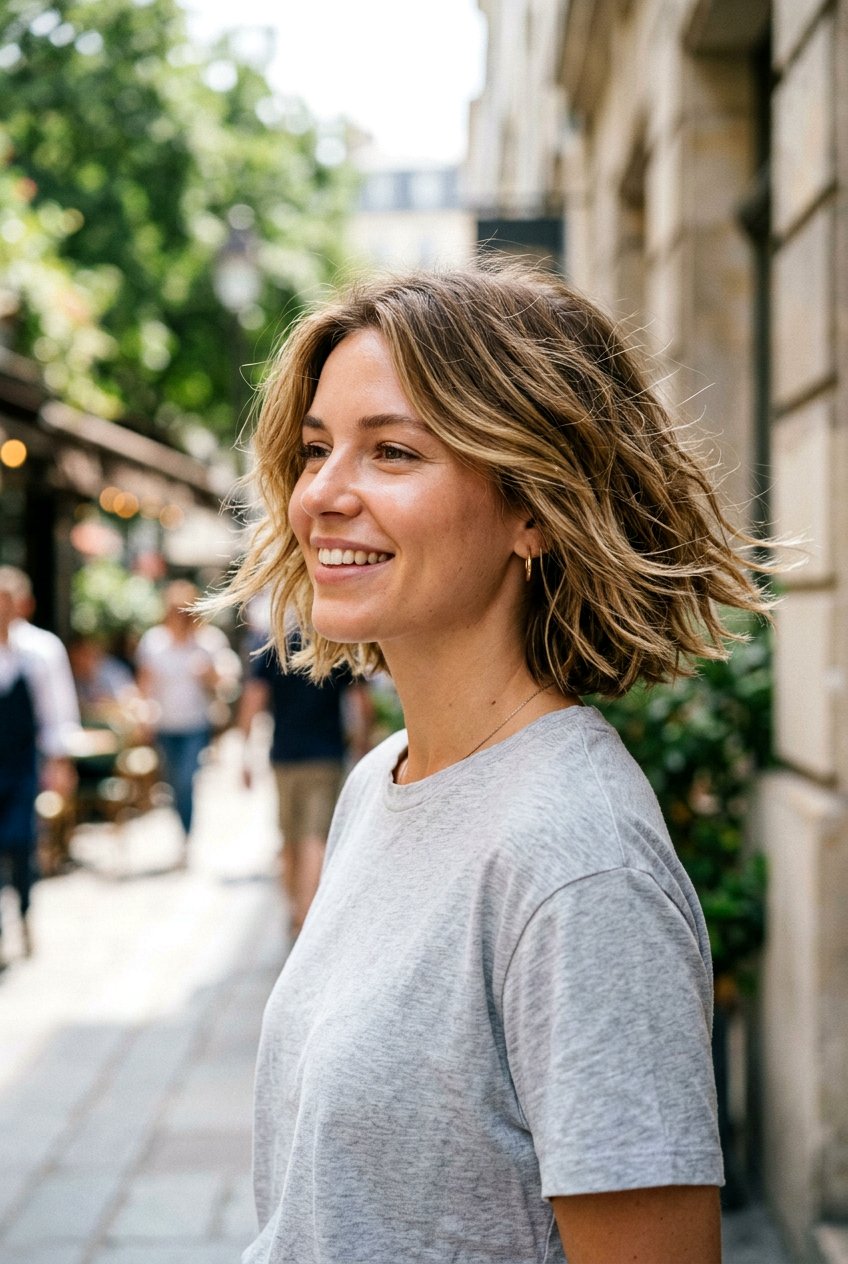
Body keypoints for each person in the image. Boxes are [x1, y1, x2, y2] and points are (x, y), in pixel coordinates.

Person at [221, 262, 774, 1263]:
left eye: (391, 451)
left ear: (532, 509)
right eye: (315, 449)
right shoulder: (379, 779)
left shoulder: (574, 863)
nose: (324, 495)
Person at [237, 626, 373, 934]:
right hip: (326, 755)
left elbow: (253, 698)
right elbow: (360, 701)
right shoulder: (337, 642)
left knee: (290, 837)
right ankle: (307, 914)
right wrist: (362, 740)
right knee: (315, 836)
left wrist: (244, 752)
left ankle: (295, 909)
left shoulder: (276, 644)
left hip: (285, 755)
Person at [0, 568, 78, 964]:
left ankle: (26, 913)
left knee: (20, 841)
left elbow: (57, 711)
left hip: (22, 761)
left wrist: (60, 763)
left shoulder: (41, 650)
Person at [136, 580, 230, 862]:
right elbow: (145, 684)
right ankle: (182, 829)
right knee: (173, 784)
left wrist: (208, 674)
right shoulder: (153, 642)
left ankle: (188, 836)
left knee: (186, 779)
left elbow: (225, 684)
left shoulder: (208, 643)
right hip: (165, 724)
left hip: (195, 724)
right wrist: (143, 715)